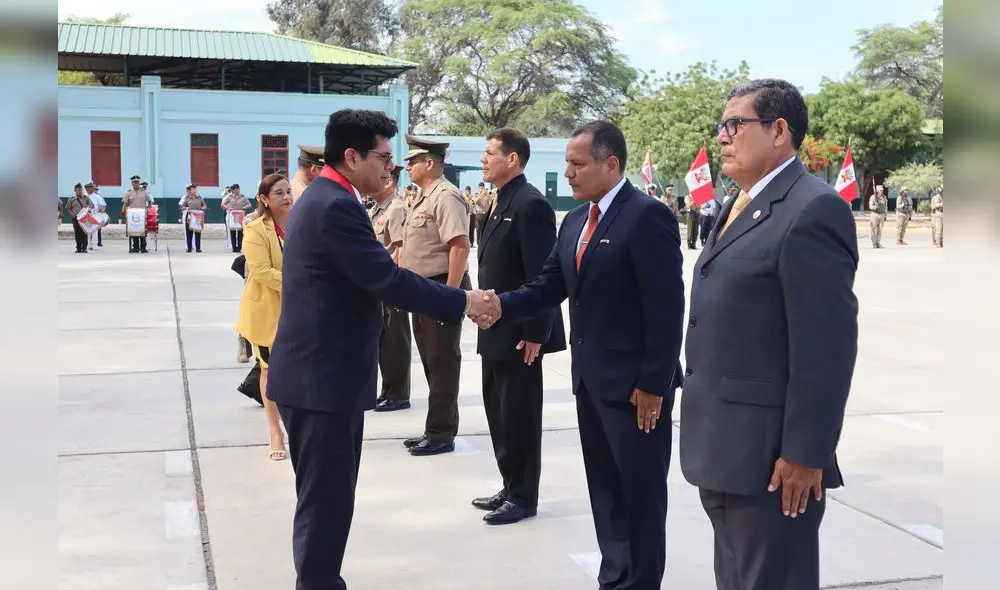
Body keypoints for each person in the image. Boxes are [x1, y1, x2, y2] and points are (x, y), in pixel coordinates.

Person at [265, 108, 497, 590]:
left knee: (325, 500)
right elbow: (387, 279)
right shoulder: (335, 205)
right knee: (326, 503)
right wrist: (464, 300)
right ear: (352, 157)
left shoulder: (325, 196)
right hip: (322, 382)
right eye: (384, 157)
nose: (391, 168)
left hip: (318, 376)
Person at [474, 120, 685, 589]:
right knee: (605, 491)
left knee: (640, 497)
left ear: (611, 165)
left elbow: (667, 309)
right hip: (590, 382)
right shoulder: (574, 221)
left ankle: (641, 581)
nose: (567, 173)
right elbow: (548, 285)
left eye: (577, 164)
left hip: (636, 391)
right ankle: (614, 577)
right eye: (567, 163)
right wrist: (499, 305)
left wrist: (654, 383)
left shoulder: (646, 216)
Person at [681, 78, 859, 590]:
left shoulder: (812, 208)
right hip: (725, 448)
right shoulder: (737, 204)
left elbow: (825, 349)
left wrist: (806, 453)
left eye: (735, 124)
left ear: (779, 131)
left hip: (773, 462)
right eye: (722, 125)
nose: (722, 136)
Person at [472, 128, 566, 525]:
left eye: (490, 153)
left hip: (519, 332)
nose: (483, 160)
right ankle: (510, 486)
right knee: (499, 412)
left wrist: (535, 333)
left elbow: (543, 275)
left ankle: (524, 497)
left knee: (520, 416)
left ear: (512, 159)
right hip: (494, 328)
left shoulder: (530, 204)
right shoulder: (500, 200)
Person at [399, 133, 472, 456]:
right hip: (423, 292)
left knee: (442, 364)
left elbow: (460, 246)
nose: (408, 166)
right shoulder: (423, 197)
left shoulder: (446, 196)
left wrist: (450, 296)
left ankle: (441, 434)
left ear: (430, 163)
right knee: (431, 361)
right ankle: (436, 427)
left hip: (440, 287)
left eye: (413, 161)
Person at [235, 174, 294, 461]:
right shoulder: (255, 229)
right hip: (267, 311)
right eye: (279, 193)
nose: (287, 197)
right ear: (264, 199)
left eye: (288, 191)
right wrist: (300, 283)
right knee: (269, 370)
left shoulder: (300, 225)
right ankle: (275, 432)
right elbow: (260, 271)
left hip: (299, 310)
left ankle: (295, 426)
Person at [369, 165, 413, 412]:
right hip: (379, 284)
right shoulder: (377, 209)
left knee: (396, 341)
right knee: (385, 342)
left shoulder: (396, 208)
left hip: (392, 283)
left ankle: (398, 394)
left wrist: (400, 286)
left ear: (389, 182)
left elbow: (401, 248)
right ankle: (388, 390)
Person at [121, 175, 151, 253]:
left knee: (143, 232)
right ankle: (135, 247)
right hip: (132, 215)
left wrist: (148, 209)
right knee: (134, 231)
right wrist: (124, 211)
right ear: (132, 183)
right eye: (135, 182)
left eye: (137, 182)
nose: (136, 183)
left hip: (142, 215)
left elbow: (149, 201)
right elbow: (125, 203)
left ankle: (143, 247)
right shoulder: (128, 193)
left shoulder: (144, 192)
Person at [222, 184, 252, 252]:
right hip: (232, 215)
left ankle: (239, 247)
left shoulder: (242, 197)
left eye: (238, 189)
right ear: (233, 190)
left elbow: (249, 204)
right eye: (236, 189)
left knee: (240, 231)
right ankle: (234, 248)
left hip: (240, 214)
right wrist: (228, 207)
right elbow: (223, 204)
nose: (238, 190)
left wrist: (244, 207)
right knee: (232, 231)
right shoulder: (229, 197)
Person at [65, 183, 93, 254]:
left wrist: (87, 206)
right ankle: (78, 248)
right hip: (76, 218)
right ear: (75, 190)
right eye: (78, 190)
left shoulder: (86, 198)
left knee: (85, 233)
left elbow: (92, 205)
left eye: (81, 190)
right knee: (77, 233)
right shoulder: (72, 199)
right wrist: (72, 214)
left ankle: (84, 248)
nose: (80, 191)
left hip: (85, 218)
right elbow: (68, 208)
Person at [180, 185, 207, 253]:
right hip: (190, 216)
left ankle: (198, 248)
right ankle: (189, 248)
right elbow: (182, 207)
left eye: (195, 189)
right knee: (189, 232)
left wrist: (203, 208)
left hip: (198, 216)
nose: (194, 191)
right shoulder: (187, 198)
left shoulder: (200, 198)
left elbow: (204, 205)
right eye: (193, 189)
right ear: (190, 190)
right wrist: (186, 208)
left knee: (198, 232)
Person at [84, 181, 106, 249]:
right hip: (86, 215)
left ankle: (94, 244)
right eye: (88, 188)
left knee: (94, 230)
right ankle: (88, 244)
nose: (90, 189)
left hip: (95, 215)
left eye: (91, 188)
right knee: (87, 230)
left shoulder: (97, 197)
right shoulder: (83, 196)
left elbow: (103, 205)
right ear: (86, 188)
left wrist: (101, 213)